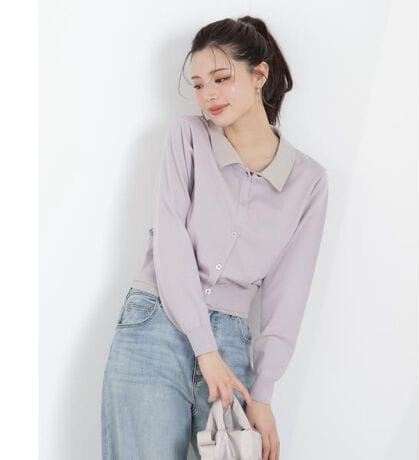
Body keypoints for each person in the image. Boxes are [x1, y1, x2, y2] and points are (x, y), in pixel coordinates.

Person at [101, 15, 329, 460]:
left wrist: (262, 394)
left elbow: (289, 293)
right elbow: (170, 242)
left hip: (231, 341)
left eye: (221, 79)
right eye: (199, 84)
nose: (208, 95)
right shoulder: (187, 137)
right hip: (154, 325)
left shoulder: (308, 182)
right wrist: (204, 351)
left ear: (259, 74)